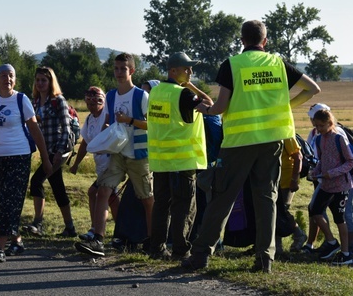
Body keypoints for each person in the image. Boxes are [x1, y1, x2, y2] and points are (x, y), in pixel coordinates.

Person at [182, 20, 320, 274]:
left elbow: (221, 106)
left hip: (239, 143)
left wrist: (206, 109)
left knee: (222, 197)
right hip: (272, 141)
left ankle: (201, 255)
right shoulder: (278, 64)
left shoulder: (233, 64)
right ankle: (265, 260)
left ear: (242, 41)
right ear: (264, 41)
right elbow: (313, 89)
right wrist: (286, 106)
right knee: (267, 199)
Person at [0, 64, 53, 263]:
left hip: (18, 157)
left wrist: (46, 158)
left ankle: (0, 248)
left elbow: (35, 130)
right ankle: (17, 240)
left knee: (9, 201)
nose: (7, 79)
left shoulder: (21, 99)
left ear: (15, 80)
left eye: (11, 76)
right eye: (4, 76)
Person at [74, 53, 152, 257]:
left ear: (132, 71)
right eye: (116, 68)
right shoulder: (110, 96)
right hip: (118, 153)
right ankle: (98, 239)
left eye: (123, 69)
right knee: (103, 190)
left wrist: (129, 120)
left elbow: (153, 124)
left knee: (146, 198)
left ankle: (153, 241)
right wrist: (106, 134)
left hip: (139, 154)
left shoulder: (141, 96)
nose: (118, 73)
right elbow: (109, 121)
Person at [147, 52, 211, 261]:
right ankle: (181, 250)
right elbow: (209, 105)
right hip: (182, 160)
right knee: (184, 206)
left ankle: (157, 248)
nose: (190, 72)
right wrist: (191, 87)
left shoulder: (156, 91)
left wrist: (188, 84)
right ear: (173, 70)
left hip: (161, 159)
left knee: (161, 204)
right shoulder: (183, 95)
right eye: (187, 69)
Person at [24, 66, 77, 237]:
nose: (40, 83)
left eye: (44, 80)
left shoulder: (58, 100)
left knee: (37, 181)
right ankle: (70, 227)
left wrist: (59, 151)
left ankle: (38, 224)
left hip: (59, 151)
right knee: (57, 187)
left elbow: (67, 128)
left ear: (50, 82)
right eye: (38, 80)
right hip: (47, 151)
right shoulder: (35, 102)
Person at [70, 86, 121, 242]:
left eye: (95, 103)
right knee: (111, 197)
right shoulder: (90, 119)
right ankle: (119, 231)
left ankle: (97, 230)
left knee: (96, 192)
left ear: (102, 102)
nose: (92, 107)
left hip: (110, 162)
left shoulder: (107, 115)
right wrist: (76, 163)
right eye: (89, 103)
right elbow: (85, 142)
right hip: (100, 164)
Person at [308, 108, 353, 265]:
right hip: (326, 185)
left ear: (330, 123)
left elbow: (350, 161)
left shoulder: (339, 138)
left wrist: (333, 173)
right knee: (314, 211)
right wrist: (316, 171)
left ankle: (346, 254)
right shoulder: (319, 139)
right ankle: (332, 242)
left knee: (339, 218)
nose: (318, 129)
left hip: (341, 185)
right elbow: (321, 160)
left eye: (321, 126)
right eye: (316, 126)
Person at [275, 136, 306, 254]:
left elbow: (298, 157)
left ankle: (299, 235)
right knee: (276, 213)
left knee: (281, 212)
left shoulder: (287, 136)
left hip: (287, 181)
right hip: (274, 181)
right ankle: (277, 247)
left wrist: (294, 179)